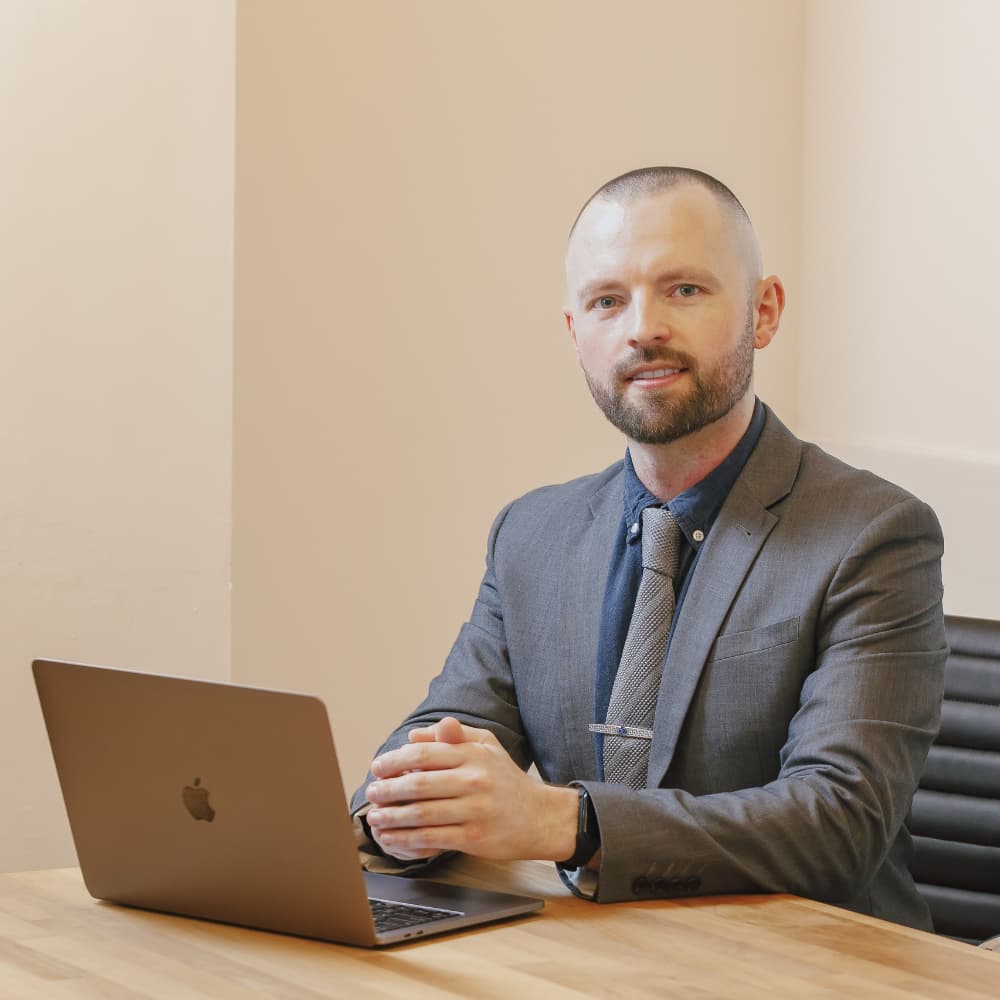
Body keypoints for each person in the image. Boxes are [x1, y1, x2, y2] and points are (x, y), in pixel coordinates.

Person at [350, 166, 947, 930]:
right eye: (608, 301)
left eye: (684, 290)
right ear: (576, 335)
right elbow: (445, 737)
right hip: (596, 955)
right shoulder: (531, 535)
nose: (642, 329)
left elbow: (839, 824)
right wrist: (397, 810)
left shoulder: (874, 535)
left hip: (812, 964)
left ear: (763, 312)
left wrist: (565, 822)